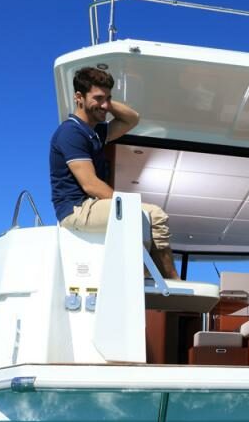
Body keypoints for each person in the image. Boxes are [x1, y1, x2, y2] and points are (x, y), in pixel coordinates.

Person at [49, 66, 179, 279]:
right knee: (153, 214)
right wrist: (126, 207)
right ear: (78, 98)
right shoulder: (71, 132)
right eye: (98, 98)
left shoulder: (96, 132)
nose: (105, 105)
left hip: (92, 205)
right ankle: (172, 281)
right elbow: (90, 184)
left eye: (108, 98)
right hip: (76, 209)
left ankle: (148, 275)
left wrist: (105, 103)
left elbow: (132, 119)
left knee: (146, 215)